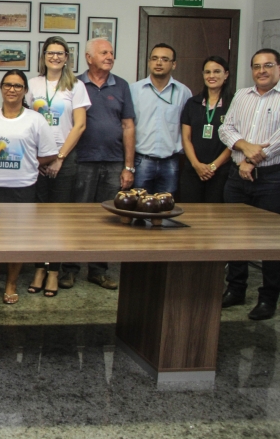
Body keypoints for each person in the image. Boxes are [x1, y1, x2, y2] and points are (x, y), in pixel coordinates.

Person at [0, 70, 58, 303]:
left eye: (18, 86)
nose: (12, 89)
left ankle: (11, 284)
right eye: (8, 85)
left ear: (25, 91)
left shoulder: (35, 119)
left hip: (23, 187)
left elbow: (50, 152)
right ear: (1, 88)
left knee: (18, 239)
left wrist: (30, 162)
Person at [62, 38, 135, 291]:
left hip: (114, 162)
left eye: (111, 53)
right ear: (88, 57)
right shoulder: (74, 83)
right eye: (104, 52)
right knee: (78, 217)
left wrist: (128, 166)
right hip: (82, 160)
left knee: (107, 218)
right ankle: (69, 269)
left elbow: (128, 126)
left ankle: (98, 270)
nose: (110, 56)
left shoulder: (122, 86)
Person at [219, 48, 280, 320]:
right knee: (234, 236)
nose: (261, 71)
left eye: (268, 65)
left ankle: (268, 298)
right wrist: (244, 146)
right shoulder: (242, 95)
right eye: (256, 66)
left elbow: (278, 140)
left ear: (278, 68)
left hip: (271, 178)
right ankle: (236, 289)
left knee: (271, 240)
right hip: (236, 178)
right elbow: (225, 129)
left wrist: (251, 160)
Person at [27, 36, 89, 294]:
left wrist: (60, 157)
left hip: (65, 157)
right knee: (39, 217)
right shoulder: (33, 84)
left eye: (60, 53)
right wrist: (41, 158)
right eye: (50, 52)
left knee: (59, 218)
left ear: (66, 58)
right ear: (43, 56)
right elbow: (26, 120)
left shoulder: (76, 85)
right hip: (38, 158)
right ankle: (39, 269)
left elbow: (80, 125)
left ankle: (54, 271)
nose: (55, 57)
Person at [129, 43, 192, 194]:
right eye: (154, 58)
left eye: (164, 59)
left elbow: (188, 128)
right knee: (139, 204)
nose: (158, 63)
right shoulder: (134, 90)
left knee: (166, 205)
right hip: (141, 160)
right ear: (149, 62)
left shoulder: (183, 92)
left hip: (170, 162)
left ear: (174, 64)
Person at [179, 56, 233, 203]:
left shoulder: (234, 104)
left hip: (221, 171)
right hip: (193, 170)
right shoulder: (192, 103)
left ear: (226, 74)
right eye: (207, 72)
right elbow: (186, 138)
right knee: (191, 212)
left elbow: (235, 142)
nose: (211, 76)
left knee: (215, 214)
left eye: (217, 71)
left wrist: (213, 166)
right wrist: (197, 165)